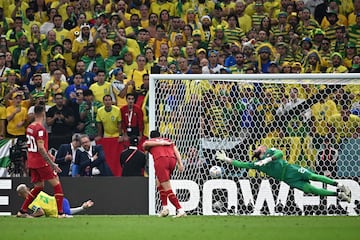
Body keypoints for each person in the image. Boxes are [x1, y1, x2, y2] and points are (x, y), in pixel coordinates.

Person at [215, 146, 352, 203]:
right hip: (288, 179)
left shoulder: (270, 152)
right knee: (311, 190)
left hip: (292, 169)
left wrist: (268, 159)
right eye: (260, 147)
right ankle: (339, 195)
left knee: (313, 176)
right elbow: (241, 164)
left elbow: (280, 154)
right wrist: (226, 159)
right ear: (259, 152)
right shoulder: (257, 165)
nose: (262, 146)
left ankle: (339, 185)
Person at [17, 105, 66, 218]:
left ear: (34, 113)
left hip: (32, 162)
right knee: (56, 183)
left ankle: (22, 211)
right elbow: (40, 148)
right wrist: (51, 163)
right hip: (41, 162)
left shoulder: (29, 127)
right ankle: (60, 213)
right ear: (43, 113)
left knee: (39, 186)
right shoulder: (40, 129)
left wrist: (49, 155)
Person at [143, 130, 186, 218]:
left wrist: (160, 144)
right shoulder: (168, 141)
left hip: (161, 160)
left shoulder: (150, 141)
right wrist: (180, 163)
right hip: (172, 160)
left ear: (151, 137)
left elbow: (145, 145)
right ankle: (165, 208)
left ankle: (180, 210)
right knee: (159, 183)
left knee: (167, 187)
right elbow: (176, 151)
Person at [16, 183, 94, 217]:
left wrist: (29, 216)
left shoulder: (30, 204)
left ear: (19, 195)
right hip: (62, 201)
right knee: (67, 213)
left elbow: (40, 212)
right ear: (28, 189)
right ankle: (82, 207)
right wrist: (82, 208)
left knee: (66, 215)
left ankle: (79, 209)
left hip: (56, 210)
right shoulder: (35, 190)